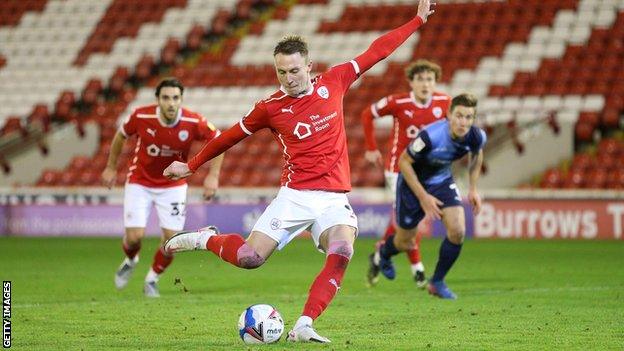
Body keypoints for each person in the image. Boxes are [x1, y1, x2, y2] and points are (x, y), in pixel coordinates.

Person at [162, 0, 435, 343]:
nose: (288, 79)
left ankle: (304, 324)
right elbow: (229, 137)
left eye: (294, 71)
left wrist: (416, 22)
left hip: (334, 198)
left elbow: (377, 51)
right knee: (249, 258)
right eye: (281, 72)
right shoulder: (270, 109)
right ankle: (206, 238)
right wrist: (191, 166)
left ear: (309, 66)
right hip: (295, 196)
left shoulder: (335, 80)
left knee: (343, 251)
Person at [101, 78, 224, 298]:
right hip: (140, 181)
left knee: (172, 240)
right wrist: (111, 167)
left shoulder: (193, 120)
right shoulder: (141, 116)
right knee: (134, 237)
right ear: (158, 99)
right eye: (166, 98)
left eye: (175, 98)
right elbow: (121, 136)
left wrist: (213, 176)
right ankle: (131, 259)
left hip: (173, 185)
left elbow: (219, 140)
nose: (171, 103)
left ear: (181, 100)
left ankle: (151, 279)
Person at [369, 93, 486, 299]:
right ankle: (383, 253)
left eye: (469, 117)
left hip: (441, 181)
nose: (463, 122)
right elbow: (404, 163)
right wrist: (423, 197)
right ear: (449, 115)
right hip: (412, 184)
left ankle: (437, 282)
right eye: (459, 115)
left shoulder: (476, 136)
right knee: (405, 241)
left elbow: (477, 155)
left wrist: (473, 188)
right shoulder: (430, 136)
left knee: (457, 231)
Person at [362, 59, 450, 288]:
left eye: (429, 79)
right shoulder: (397, 102)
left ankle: (381, 254)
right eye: (420, 79)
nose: (425, 84)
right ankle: (417, 269)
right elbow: (366, 114)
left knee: (409, 222)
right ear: (411, 82)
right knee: (410, 222)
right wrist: (371, 148)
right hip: (398, 169)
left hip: (427, 171)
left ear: (435, 82)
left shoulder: (445, 103)